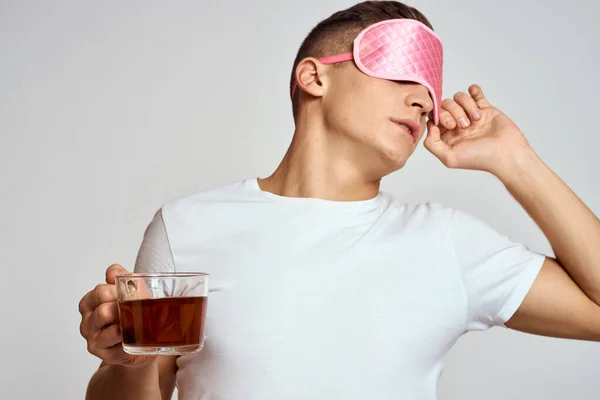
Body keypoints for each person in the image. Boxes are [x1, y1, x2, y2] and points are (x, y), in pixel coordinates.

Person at [78, 1, 600, 399]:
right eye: (399, 75)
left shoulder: (448, 243)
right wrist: (125, 361)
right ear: (314, 76)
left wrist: (517, 161)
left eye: (428, 90)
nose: (424, 100)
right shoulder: (186, 227)